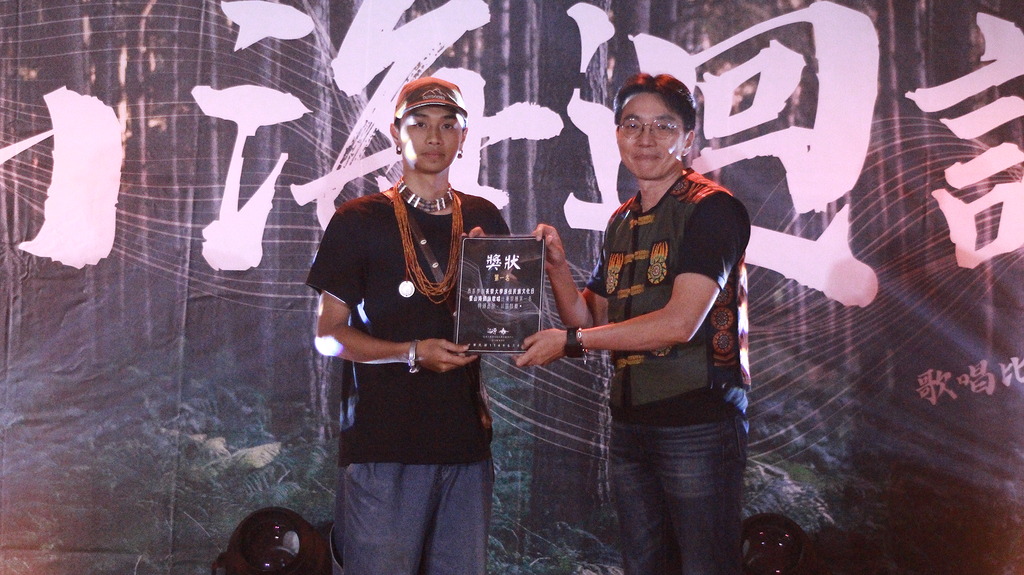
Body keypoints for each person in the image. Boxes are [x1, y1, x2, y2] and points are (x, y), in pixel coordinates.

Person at [516, 72, 751, 574]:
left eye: (664, 126)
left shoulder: (713, 210)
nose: (646, 139)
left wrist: (571, 341)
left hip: (697, 423)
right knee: (643, 565)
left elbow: (680, 323)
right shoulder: (622, 220)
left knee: (705, 565)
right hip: (630, 424)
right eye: (632, 125)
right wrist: (557, 268)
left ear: (689, 138)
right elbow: (588, 317)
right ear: (618, 134)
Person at [306, 77, 509, 575]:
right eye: (419, 124)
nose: (434, 137)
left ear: (464, 137)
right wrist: (412, 352)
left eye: (448, 125)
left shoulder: (483, 217)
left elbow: (503, 322)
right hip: (384, 443)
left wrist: (516, 287)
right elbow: (328, 335)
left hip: (465, 445)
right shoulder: (358, 220)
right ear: (396, 133)